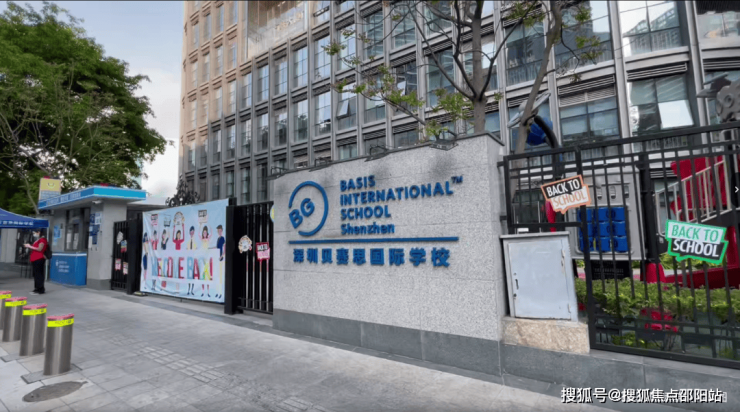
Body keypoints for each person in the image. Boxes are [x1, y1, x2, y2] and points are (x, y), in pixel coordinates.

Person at [24, 230, 48, 295]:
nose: (34, 234)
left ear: (39, 232)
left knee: (39, 275)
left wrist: (29, 246)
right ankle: (36, 288)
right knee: (36, 274)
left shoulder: (42, 240)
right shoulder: (38, 240)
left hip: (39, 259)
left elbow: (40, 249)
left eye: (34, 233)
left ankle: (40, 289)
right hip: (35, 259)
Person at [215, 225, 225, 300]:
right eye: (218, 230)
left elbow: (224, 248)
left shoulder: (222, 238)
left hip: (221, 259)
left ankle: (220, 293)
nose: (219, 232)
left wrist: (222, 256)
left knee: (220, 277)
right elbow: (217, 247)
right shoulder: (218, 239)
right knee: (217, 276)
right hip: (217, 258)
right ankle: (217, 292)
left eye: (220, 230)